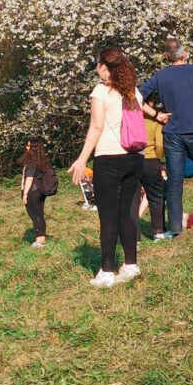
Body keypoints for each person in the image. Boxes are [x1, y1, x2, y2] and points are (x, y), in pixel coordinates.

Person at [69, 47, 145, 287]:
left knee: (108, 216)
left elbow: (96, 127)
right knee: (127, 213)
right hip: (134, 158)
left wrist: (82, 159)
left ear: (104, 66)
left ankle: (107, 271)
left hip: (109, 158)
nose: (96, 69)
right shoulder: (134, 92)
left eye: (97, 64)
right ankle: (131, 264)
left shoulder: (100, 92)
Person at [138, 39, 193, 240]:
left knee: (174, 182)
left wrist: (156, 115)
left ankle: (175, 229)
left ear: (167, 57)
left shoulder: (161, 76)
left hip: (172, 133)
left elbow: (137, 96)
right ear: (186, 53)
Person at [138, 99, 167, 239]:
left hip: (131, 160)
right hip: (150, 160)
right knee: (156, 197)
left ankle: (133, 236)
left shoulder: (130, 118)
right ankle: (158, 232)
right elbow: (160, 145)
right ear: (150, 103)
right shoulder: (155, 122)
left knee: (132, 199)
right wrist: (159, 157)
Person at [20, 137, 55, 247]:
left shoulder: (31, 161)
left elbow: (29, 178)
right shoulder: (42, 160)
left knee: (35, 215)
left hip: (32, 192)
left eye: (28, 145)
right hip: (40, 192)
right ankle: (41, 238)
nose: (26, 147)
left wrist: (25, 194)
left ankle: (40, 240)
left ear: (33, 148)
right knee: (39, 214)